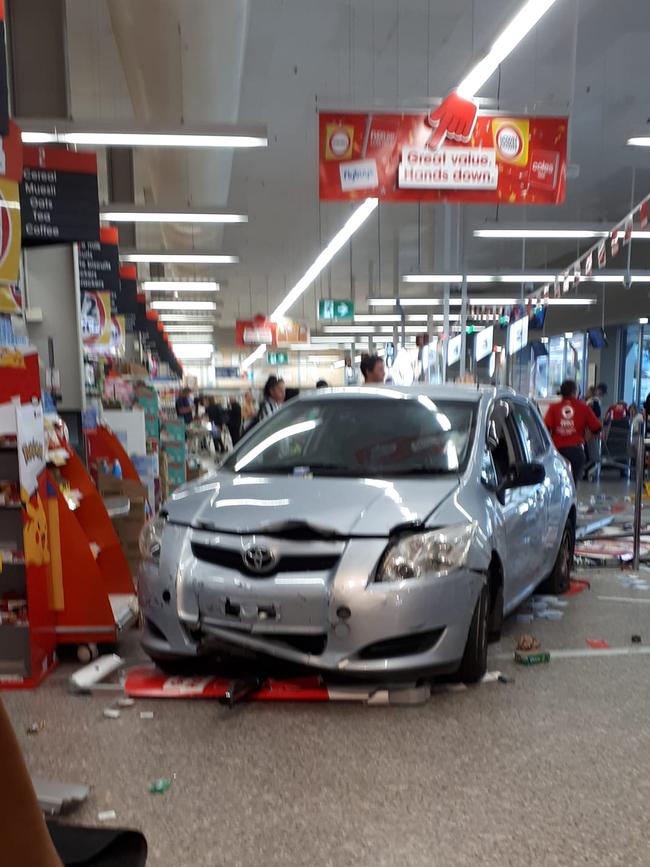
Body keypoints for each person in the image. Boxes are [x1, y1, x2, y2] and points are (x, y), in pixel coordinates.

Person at [544, 379, 602, 484]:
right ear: (574, 392)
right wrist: (587, 436)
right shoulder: (583, 407)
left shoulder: (553, 408)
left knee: (558, 483)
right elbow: (597, 428)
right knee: (572, 483)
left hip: (558, 451)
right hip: (576, 450)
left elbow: (545, 428)